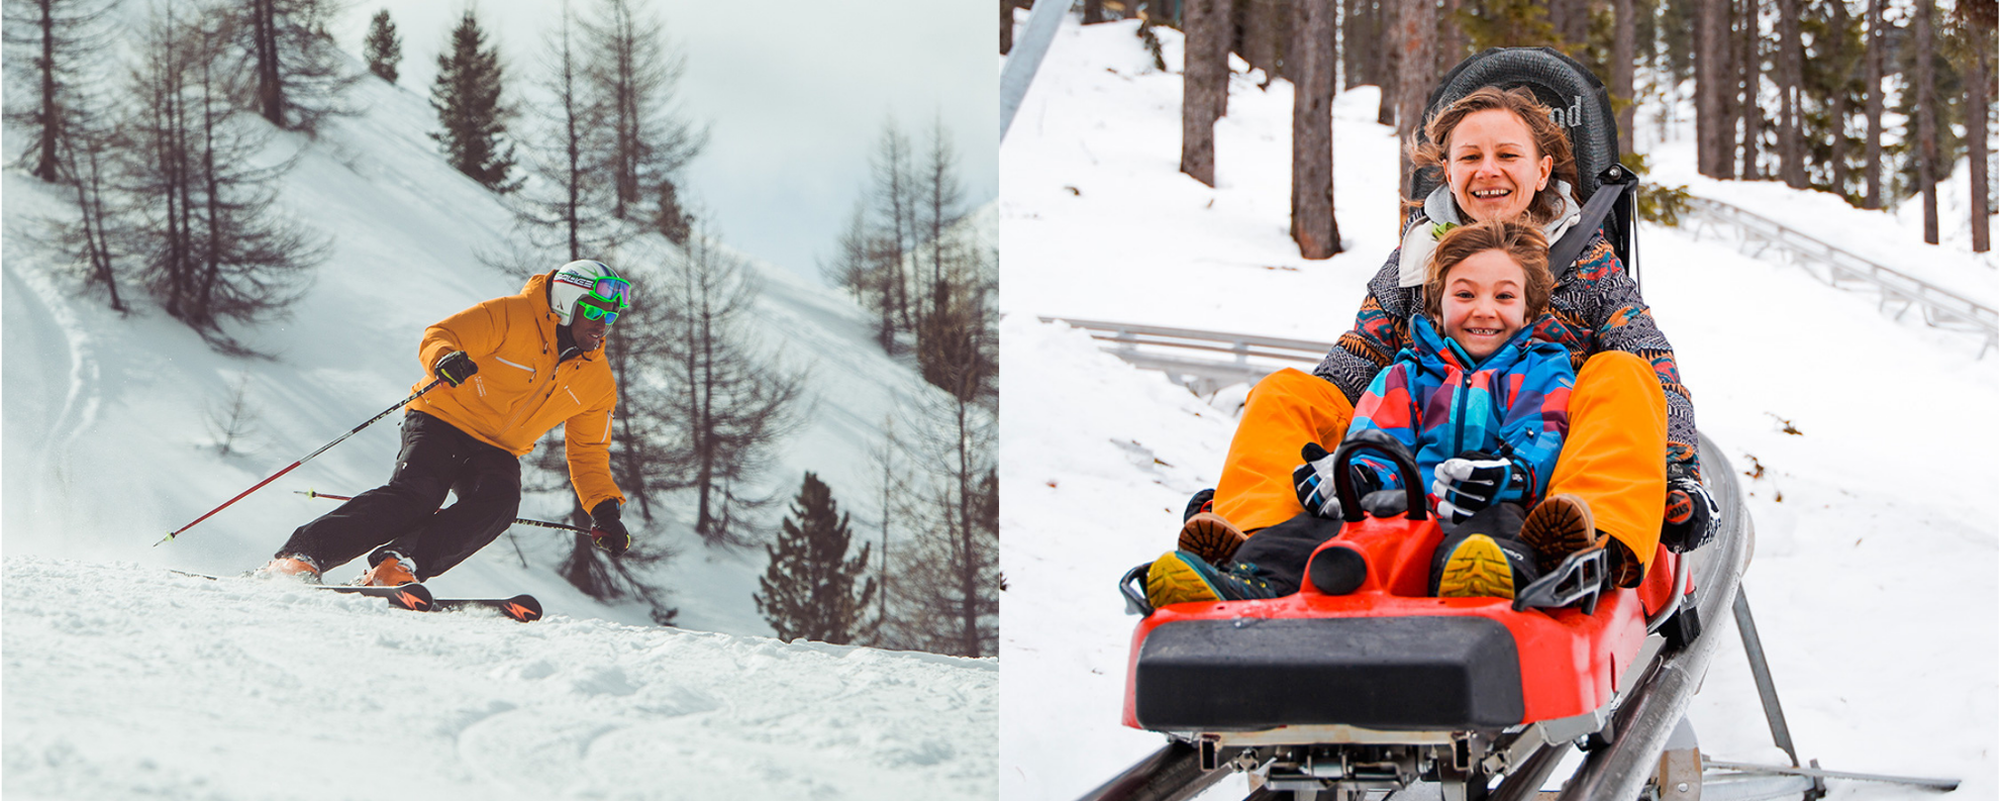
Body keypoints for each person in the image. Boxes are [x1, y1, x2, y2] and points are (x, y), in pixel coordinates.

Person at [1146, 85, 1717, 607]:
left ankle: (1589, 544)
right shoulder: (1414, 261)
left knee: (1622, 372)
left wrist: (1676, 470)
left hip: (1544, 457)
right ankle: (1247, 542)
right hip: (1417, 453)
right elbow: (1357, 359)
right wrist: (1326, 457)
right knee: (1288, 393)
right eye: (1470, 157)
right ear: (1446, 171)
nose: (1487, 171)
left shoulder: (1589, 262)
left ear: (1542, 170)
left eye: (1507, 155)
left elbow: (1652, 363)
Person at [1147, 219, 1583, 603]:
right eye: (1465, 293)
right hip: (1404, 512)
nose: (1483, 310)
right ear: (1438, 305)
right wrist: (1357, 476)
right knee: (1308, 529)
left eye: (1504, 296)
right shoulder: (1408, 372)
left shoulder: (1543, 367)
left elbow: (1542, 431)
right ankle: (1247, 577)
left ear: (1528, 311)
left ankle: (1483, 575)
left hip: (1488, 505)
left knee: (1497, 526)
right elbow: (1378, 435)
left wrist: (1510, 475)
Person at [256, 259, 637, 586]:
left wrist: (604, 509)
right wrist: (445, 359)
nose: (603, 324)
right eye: (596, 312)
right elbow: (441, 335)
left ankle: (397, 565)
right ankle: (300, 556)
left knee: (500, 503)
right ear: (567, 304)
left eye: (611, 316)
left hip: (498, 449)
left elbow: (588, 452)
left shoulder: (597, 382)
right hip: (442, 417)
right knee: (418, 494)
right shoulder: (512, 314)